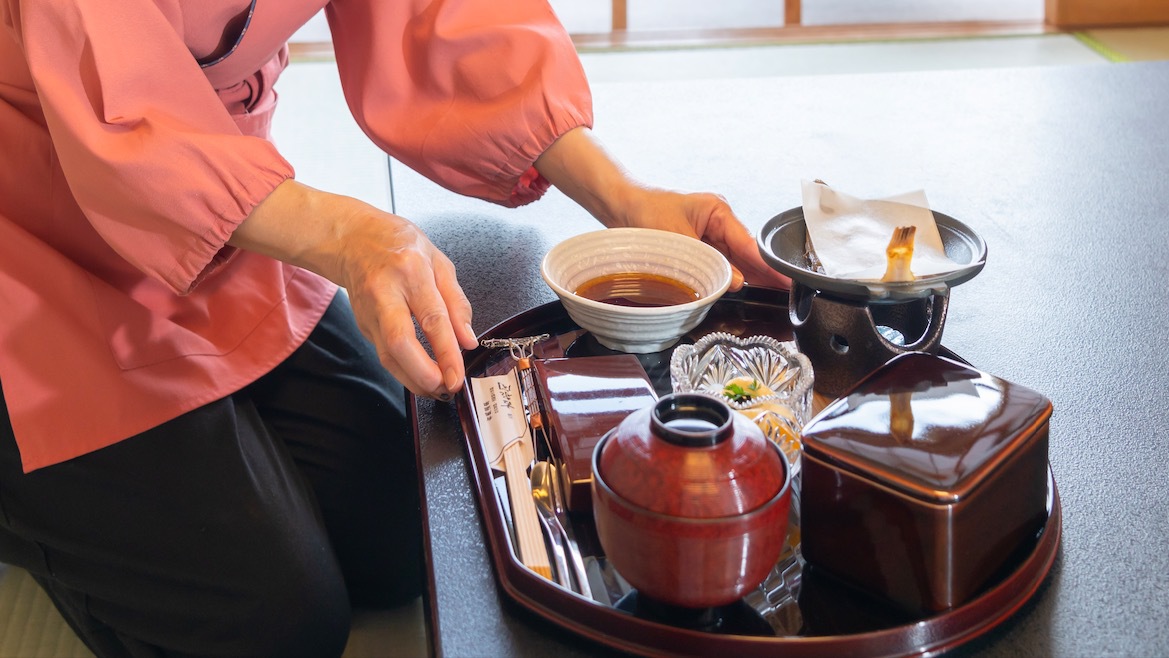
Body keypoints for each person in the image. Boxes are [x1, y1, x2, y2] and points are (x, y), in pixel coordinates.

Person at [0, 1, 789, 655]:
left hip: (225, 206)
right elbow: (120, 111)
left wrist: (621, 199)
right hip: (30, 233)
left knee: (410, 527)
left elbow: (440, 13)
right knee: (268, 628)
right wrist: (352, 238)